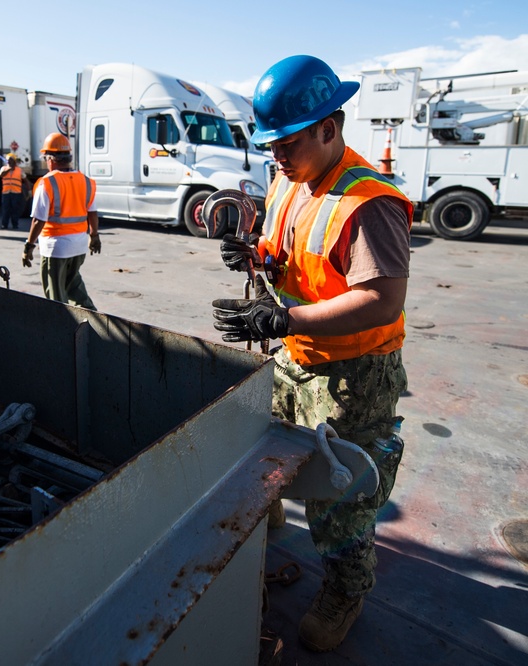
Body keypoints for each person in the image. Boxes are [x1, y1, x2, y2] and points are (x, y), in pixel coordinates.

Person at [210, 55, 411, 653]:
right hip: (297, 357)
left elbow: (379, 301)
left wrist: (281, 317)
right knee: (266, 447)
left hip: (354, 376)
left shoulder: (369, 202)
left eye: (288, 142)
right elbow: (292, 250)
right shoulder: (290, 177)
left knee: (341, 493)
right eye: (269, 143)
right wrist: (255, 254)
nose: (276, 155)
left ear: (330, 127)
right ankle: (272, 527)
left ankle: (346, 589)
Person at [21, 133, 100, 309]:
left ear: (51, 159)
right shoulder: (86, 181)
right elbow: (92, 212)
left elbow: (38, 220)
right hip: (79, 246)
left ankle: (62, 329)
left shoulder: (47, 182)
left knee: (55, 296)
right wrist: (94, 235)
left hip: (55, 248)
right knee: (73, 285)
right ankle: (92, 318)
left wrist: (28, 246)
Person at [0, 153, 28, 230]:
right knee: (6, 210)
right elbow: (1, 175)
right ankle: (4, 225)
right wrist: (9, 169)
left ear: (14, 161)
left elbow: (25, 180)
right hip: (6, 193)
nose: (9, 162)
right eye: (8, 160)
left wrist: (30, 190)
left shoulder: (19, 170)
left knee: (15, 209)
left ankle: (15, 224)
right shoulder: (4, 168)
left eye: (11, 160)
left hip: (16, 193)